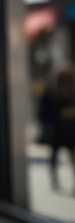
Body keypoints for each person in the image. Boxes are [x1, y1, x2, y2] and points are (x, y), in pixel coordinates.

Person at [37, 64, 75, 194]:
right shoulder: (52, 92)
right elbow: (43, 112)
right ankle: (54, 181)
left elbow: (42, 113)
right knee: (56, 157)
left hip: (66, 131)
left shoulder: (69, 92)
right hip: (60, 131)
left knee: (60, 157)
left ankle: (55, 182)